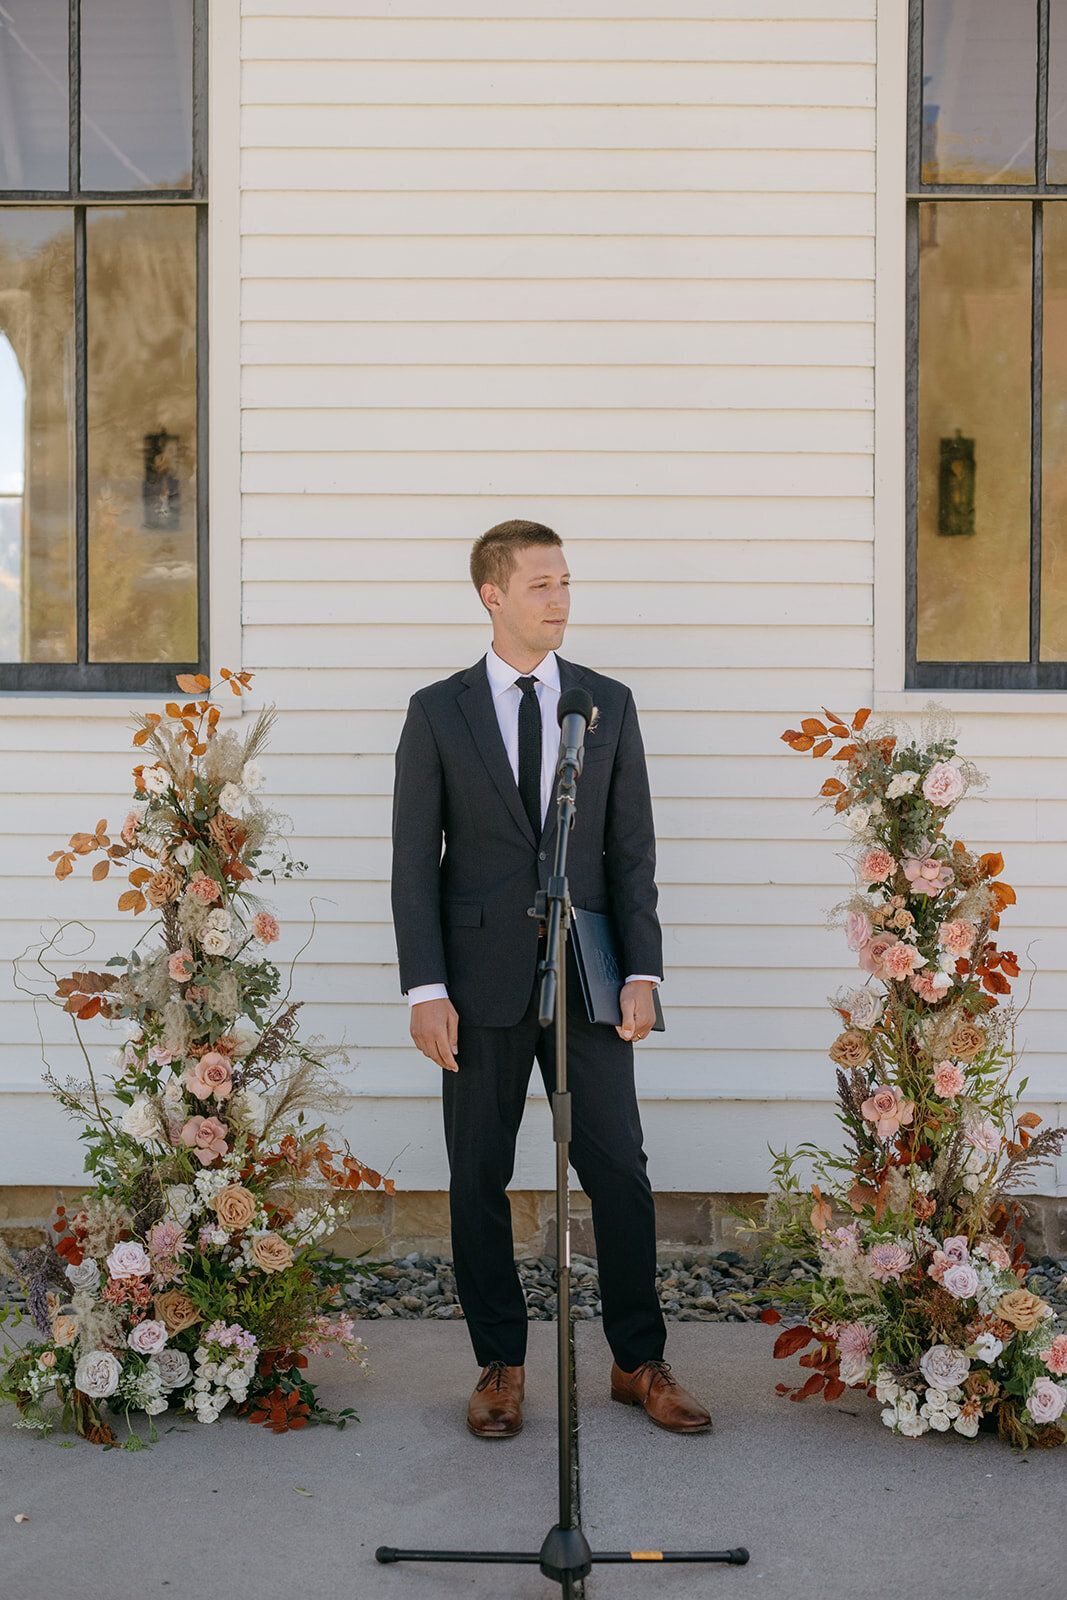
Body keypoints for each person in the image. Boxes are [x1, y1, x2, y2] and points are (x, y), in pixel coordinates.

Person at [390, 519, 711, 1440]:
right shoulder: (437, 711)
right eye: (540, 584)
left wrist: (642, 971)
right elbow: (416, 862)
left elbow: (631, 849)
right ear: (492, 595)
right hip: (477, 982)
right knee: (477, 1175)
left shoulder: (606, 703)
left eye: (565, 581)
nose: (560, 598)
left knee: (619, 1172)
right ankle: (500, 1363)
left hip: (591, 976)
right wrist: (425, 991)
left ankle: (634, 1360)